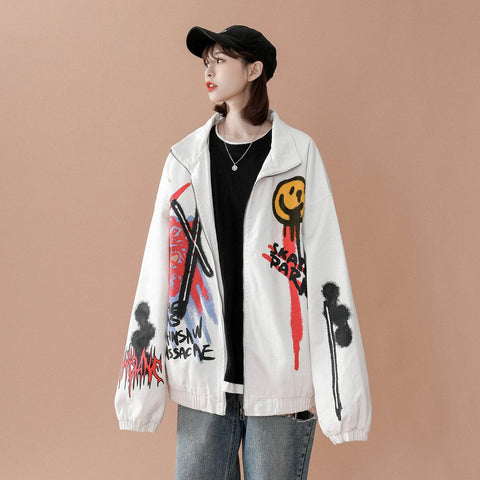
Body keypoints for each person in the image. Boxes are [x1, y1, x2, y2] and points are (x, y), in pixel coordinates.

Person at [115, 24, 372, 480]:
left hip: (279, 381)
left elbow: (327, 267)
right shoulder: (184, 160)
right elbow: (157, 270)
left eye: (220, 60)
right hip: (202, 380)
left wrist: (343, 400)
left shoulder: (297, 155)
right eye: (205, 62)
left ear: (254, 70)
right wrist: (139, 390)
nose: (208, 71)